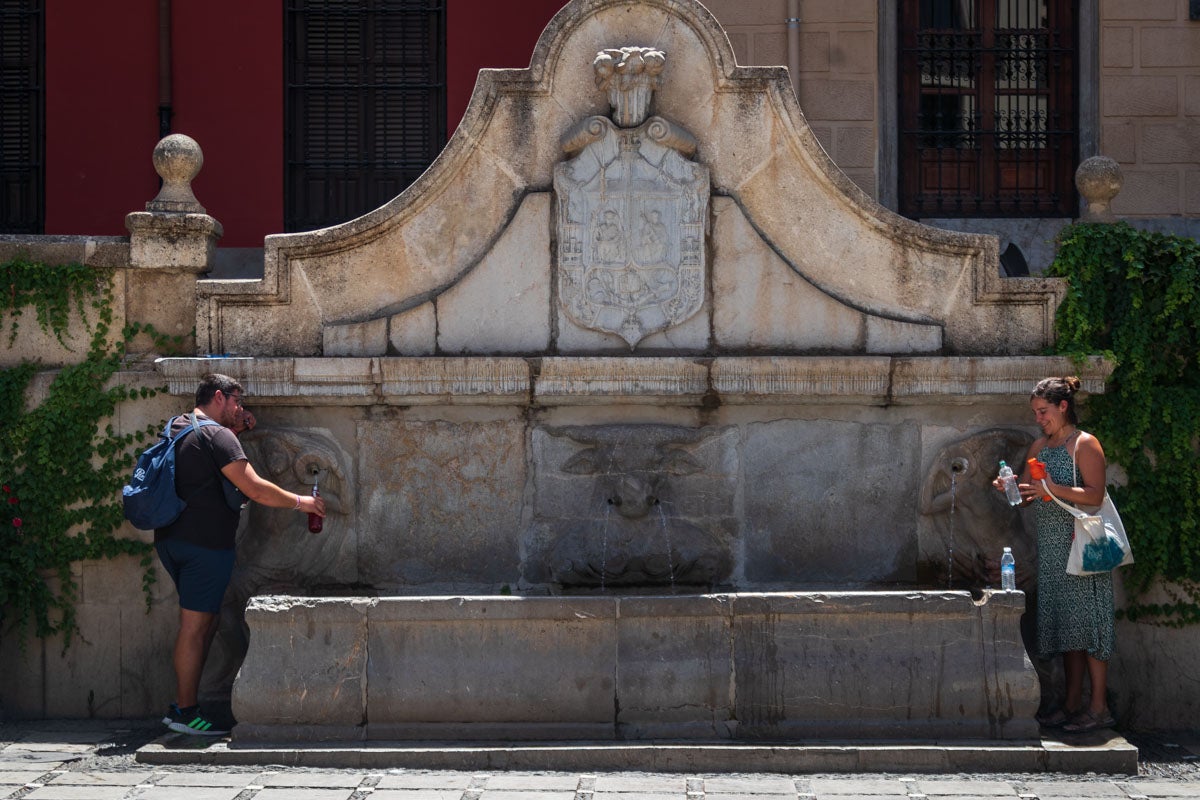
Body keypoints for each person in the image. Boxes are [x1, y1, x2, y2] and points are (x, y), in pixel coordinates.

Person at [155, 373, 325, 736]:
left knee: (204, 623)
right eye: (237, 401)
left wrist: (236, 433)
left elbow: (205, 469)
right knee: (195, 627)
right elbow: (255, 488)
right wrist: (302, 502)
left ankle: (184, 707)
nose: (241, 408)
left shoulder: (180, 427)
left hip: (173, 540)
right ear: (219, 397)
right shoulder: (219, 436)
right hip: (204, 546)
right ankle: (184, 712)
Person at [995, 376, 1116, 734]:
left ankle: (1099, 708)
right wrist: (1008, 486)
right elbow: (1027, 492)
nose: (1039, 418)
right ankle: (1071, 704)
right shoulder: (1040, 446)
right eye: (1035, 412)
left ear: (1063, 407)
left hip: (1083, 548)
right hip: (1052, 548)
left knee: (1091, 628)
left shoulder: (1085, 444)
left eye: (1043, 411)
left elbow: (1094, 496)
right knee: (1068, 628)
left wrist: (1050, 487)